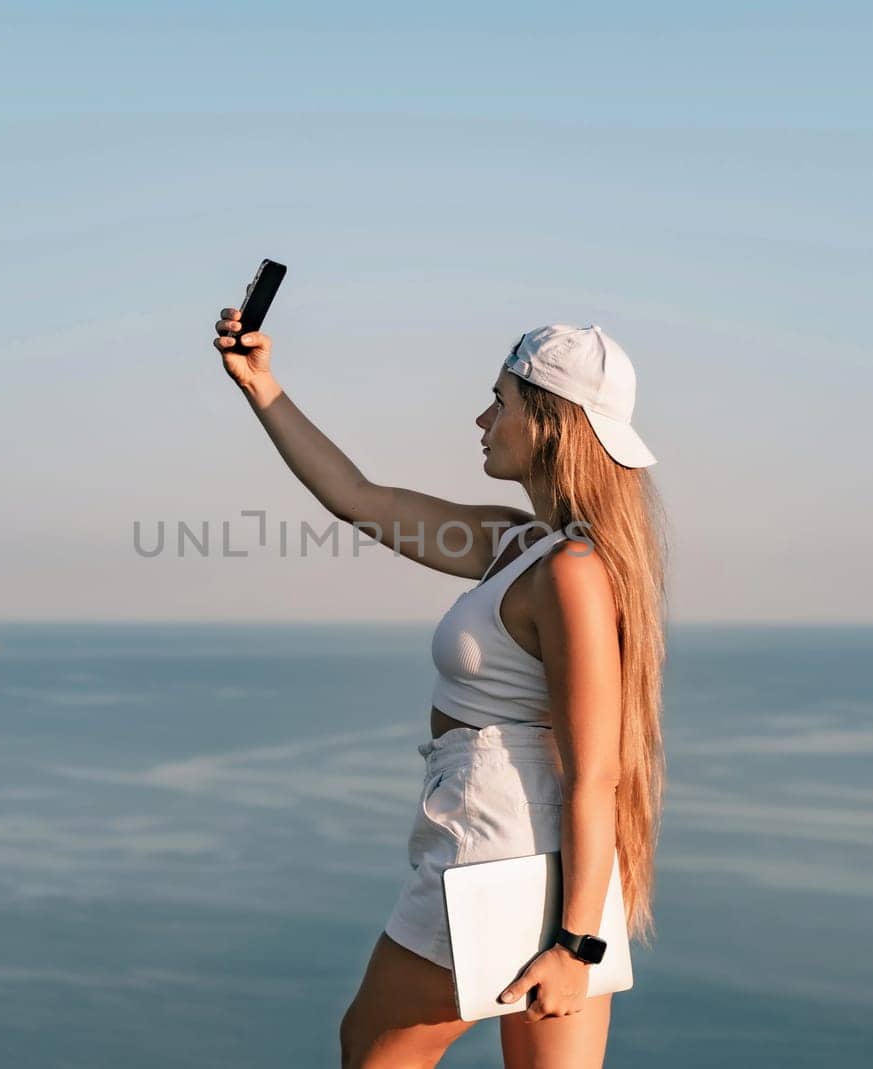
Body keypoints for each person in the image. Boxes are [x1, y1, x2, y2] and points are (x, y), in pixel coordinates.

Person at [212, 308, 668, 1069]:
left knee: (372, 1052)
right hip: (543, 866)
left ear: (550, 424)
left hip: (497, 857)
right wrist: (262, 386)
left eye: (502, 401)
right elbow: (360, 498)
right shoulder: (520, 545)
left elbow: (597, 772)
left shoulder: (570, 572)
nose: (483, 417)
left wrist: (577, 944)